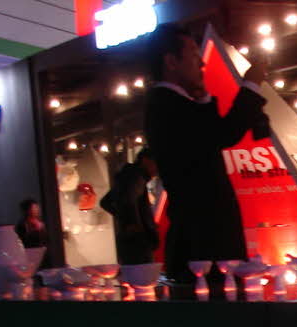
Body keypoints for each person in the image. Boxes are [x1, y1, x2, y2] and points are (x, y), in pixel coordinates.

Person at [144, 23, 268, 290]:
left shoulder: (171, 104)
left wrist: (202, 98)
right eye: (192, 53)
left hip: (203, 244)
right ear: (171, 62)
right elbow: (224, 134)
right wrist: (251, 85)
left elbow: (209, 138)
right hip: (204, 246)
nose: (201, 62)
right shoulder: (166, 105)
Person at [101, 148, 160, 264]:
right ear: (145, 160)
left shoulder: (126, 177)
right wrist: (134, 225)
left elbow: (105, 202)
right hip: (138, 240)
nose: (156, 169)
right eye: (155, 163)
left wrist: (123, 218)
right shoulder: (136, 177)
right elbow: (129, 200)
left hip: (129, 239)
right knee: (143, 271)